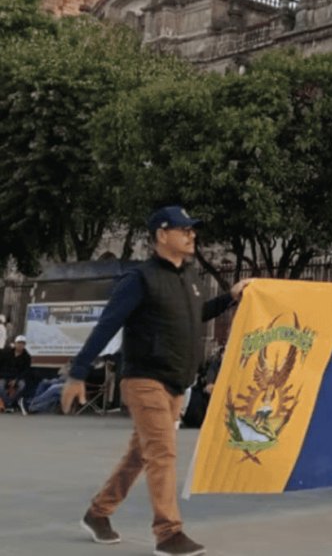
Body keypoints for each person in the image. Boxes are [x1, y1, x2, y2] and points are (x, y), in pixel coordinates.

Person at [61, 206, 249, 556]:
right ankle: (168, 532)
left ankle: (98, 513)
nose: (192, 235)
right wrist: (78, 372)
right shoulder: (139, 279)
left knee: (141, 454)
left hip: (177, 383)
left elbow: (196, 317)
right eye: (184, 230)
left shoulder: (190, 278)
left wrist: (229, 298)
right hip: (144, 379)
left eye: (193, 230)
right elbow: (108, 324)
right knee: (162, 451)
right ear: (162, 235)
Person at [0, 334, 32, 414]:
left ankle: (11, 403)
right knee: (0, 385)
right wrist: (7, 378)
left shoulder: (27, 357)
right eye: (18, 343)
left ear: (24, 345)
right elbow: (2, 367)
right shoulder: (7, 353)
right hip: (5, 376)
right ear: (15, 344)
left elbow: (26, 371)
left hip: (18, 378)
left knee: (22, 385)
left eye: (22, 343)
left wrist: (15, 380)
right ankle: (9, 404)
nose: (20, 345)